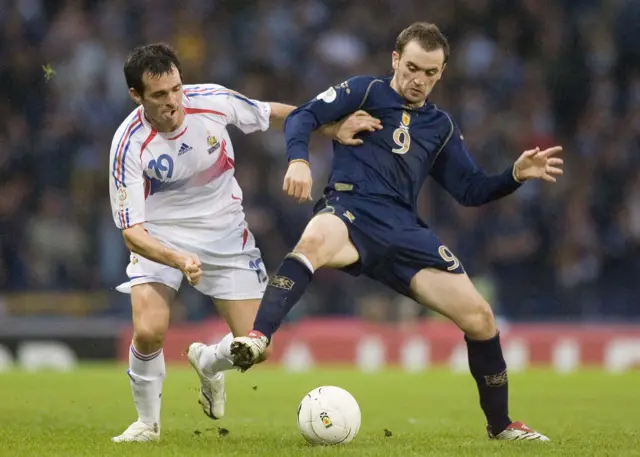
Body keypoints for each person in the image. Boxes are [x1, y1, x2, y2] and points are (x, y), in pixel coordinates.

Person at [230, 22, 563, 441]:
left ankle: (501, 425)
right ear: (395, 60)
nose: (418, 80)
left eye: (430, 73)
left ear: (441, 73)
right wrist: (298, 160)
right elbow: (303, 115)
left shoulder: (440, 127)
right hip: (350, 210)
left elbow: (470, 190)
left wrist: (514, 175)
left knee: (480, 318)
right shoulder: (365, 91)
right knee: (312, 241)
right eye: (412, 67)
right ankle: (259, 337)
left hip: (405, 230)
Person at [109, 43, 380, 443]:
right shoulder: (128, 143)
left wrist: (332, 129)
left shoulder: (213, 101)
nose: (173, 102)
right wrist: (177, 257)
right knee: (149, 330)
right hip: (161, 236)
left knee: (258, 347)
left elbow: (275, 114)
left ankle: (208, 362)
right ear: (137, 96)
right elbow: (132, 231)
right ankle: (147, 424)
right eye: (159, 95)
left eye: (176, 89)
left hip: (225, 233)